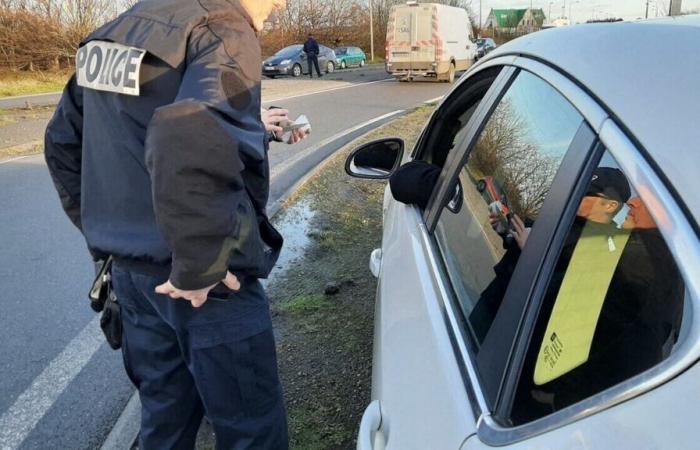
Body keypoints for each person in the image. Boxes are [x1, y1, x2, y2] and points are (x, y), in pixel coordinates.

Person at [44, 1, 291, 448]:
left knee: (165, 421)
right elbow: (188, 135)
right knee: (250, 429)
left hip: (132, 277)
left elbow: (63, 142)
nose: (283, 4)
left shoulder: (115, 31)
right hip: (205, 286)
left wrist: (108, 236)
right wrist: (198, 267)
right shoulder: (220, 27)